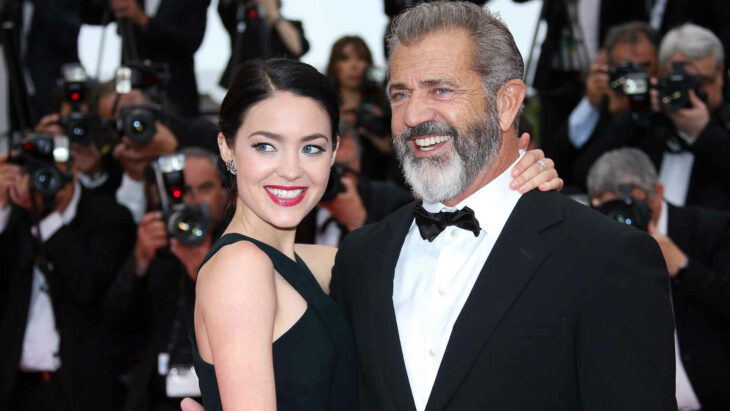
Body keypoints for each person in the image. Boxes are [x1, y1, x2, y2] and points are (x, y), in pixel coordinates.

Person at [330, 2, 675, 410]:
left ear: (507, 103)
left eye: (441, 89)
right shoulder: (361, 257)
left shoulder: (605, 258)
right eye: (400, 94)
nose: (414, 115)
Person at [186, 57, 562, 410]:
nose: (290, 170)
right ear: (227, 147)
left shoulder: (308, 261)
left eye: (311, 148)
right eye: (265, 146)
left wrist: (512, 181)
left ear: (334, 152)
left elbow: (424, 251)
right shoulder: (241, 267)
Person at [588, 147, 730, 410]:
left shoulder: (710, 229)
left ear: (657, 195)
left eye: (630, 204)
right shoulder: (593, 239)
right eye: (611, 206)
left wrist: (684, 268)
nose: (622, 218)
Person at [0, 140, 135, 410]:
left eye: (52, 172)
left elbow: (87, 286)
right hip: (15, 389)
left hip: (78, 390)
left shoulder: (109, 217)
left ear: (72, 171)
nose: (41, 182)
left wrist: (47, 216)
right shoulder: (15, 217)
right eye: (35, 173)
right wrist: (1, 206)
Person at [103, 147, 227, 411]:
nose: (192, 202)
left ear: (226, 193)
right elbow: (116, 320)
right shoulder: (160, 246)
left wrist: (203, 274)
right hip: (153, 396)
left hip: (217, 398)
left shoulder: (238, 250)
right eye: (182, 191)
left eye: (204, 188)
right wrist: (139, 260)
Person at [574, 23, 730, 212]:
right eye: (677, 83)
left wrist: (704, 132)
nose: (688, 93)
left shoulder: (722, 127)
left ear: (720, 74)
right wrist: (637, 114)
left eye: (700, 82)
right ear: (662, 74)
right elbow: (584, 174)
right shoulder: (648, 122)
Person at [553, 21, 660, 191]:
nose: (636, 77)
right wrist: (590, 104)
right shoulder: (601, 101)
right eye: (626, 68)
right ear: (609, 67)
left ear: (659, 68)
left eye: (644, 67)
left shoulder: (665, 107)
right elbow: (566, 165)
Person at [325, 35, 397, 183]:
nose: (354, 66)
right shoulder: (324, 106)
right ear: (334, 65)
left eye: (360, 59)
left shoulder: (384, 107)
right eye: (345, 59)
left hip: (379, 186)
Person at [217, 0, 309, 89]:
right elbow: (224, 6)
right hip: (246, 85)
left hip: (285, 85)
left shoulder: (292, 25)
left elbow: (298, 48)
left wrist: (274, 14)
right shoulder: (242, 28)